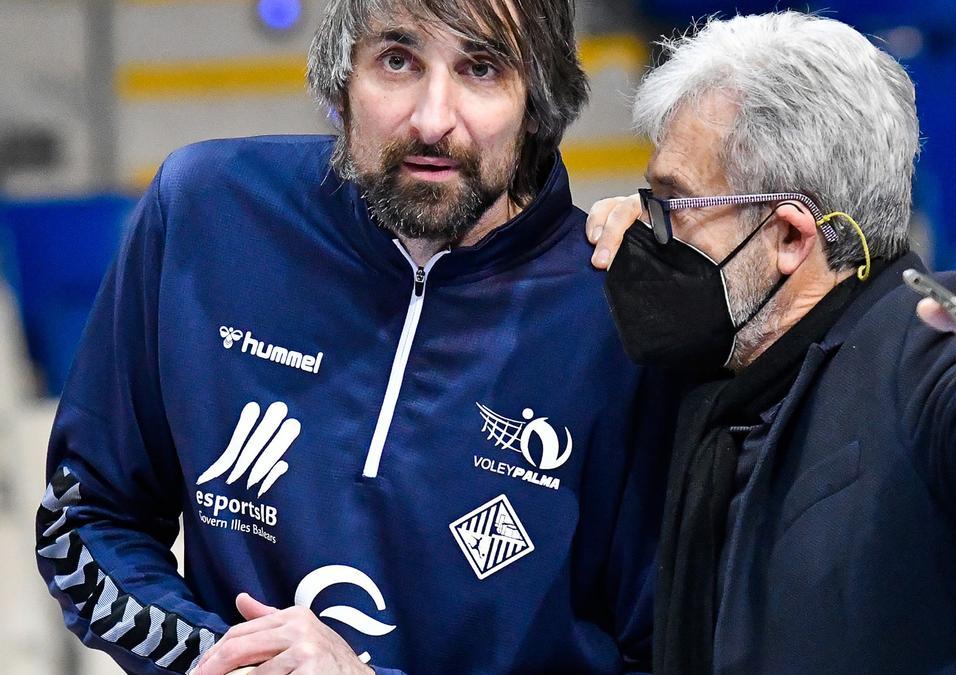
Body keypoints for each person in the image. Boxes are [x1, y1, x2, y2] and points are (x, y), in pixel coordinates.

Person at [34, 1, 674, 673]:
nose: (432, 119)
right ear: (341, 77)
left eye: (481, 68)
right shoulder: (205, 213)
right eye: (397, 62)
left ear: (539, 104)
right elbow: (88, 518)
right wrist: (233, 659)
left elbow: (663, 648)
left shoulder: (621, 317)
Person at [586, 11, 956, 674]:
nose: (653, 230)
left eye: (673, 204)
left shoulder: (920, 343)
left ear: (790, 237)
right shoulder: (720, 369)